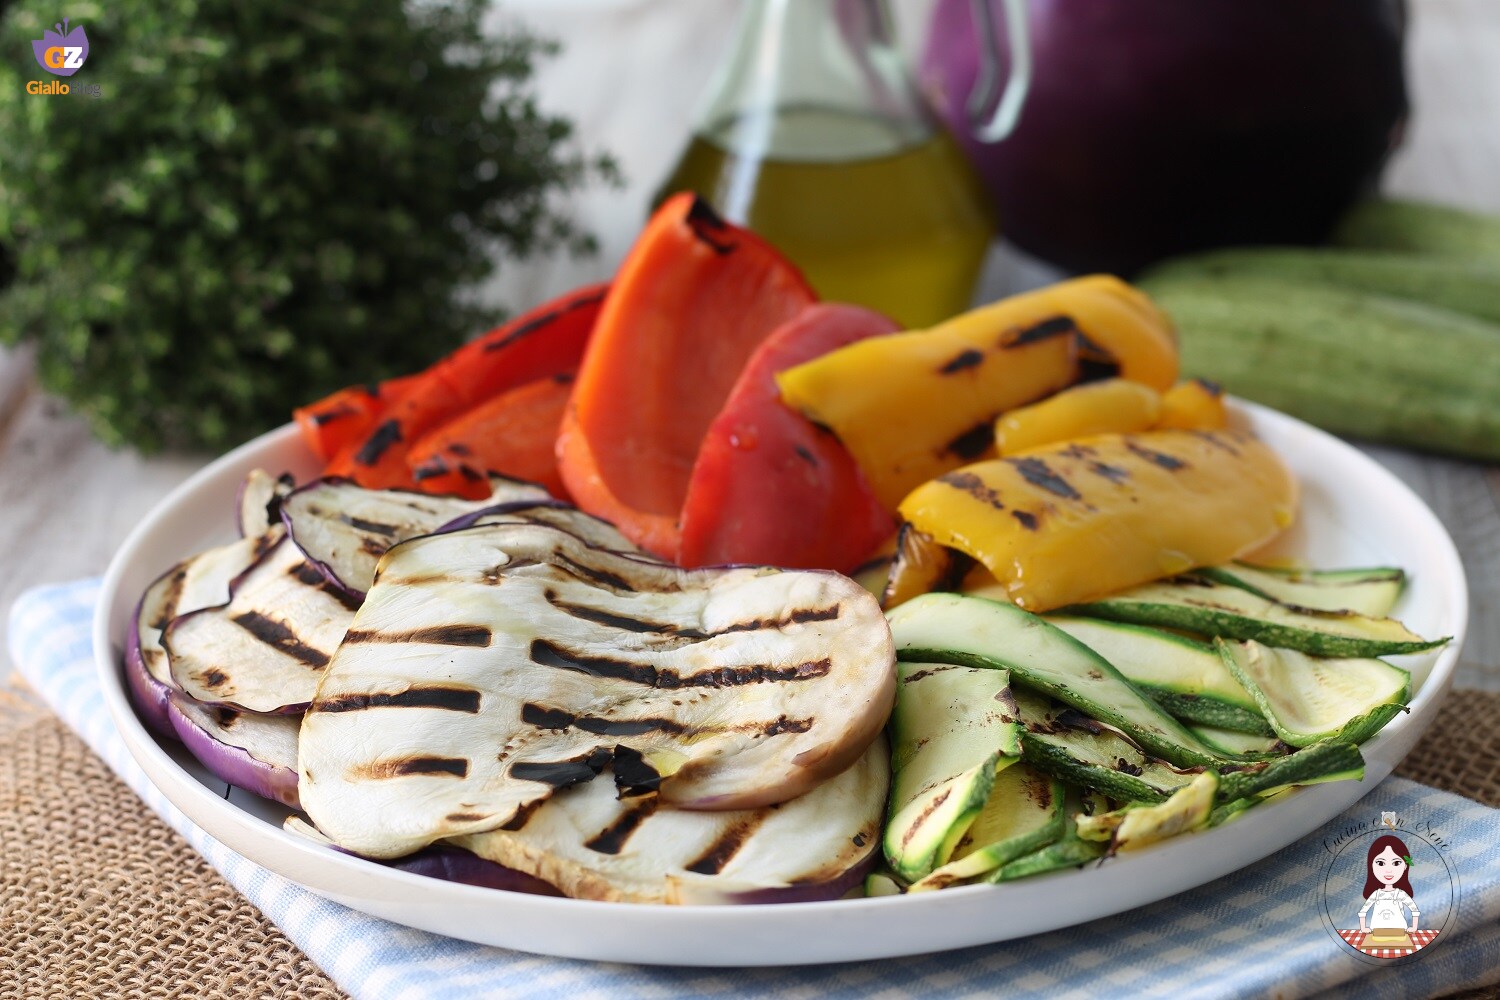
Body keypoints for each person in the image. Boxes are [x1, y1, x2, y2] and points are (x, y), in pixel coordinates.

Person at [1358, 834, 1420, 950]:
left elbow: (1414, 909)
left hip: (1399, 932)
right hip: (1377, 932)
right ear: (1371, 865)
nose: (1388, 870)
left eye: (1396, 863)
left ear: (1405, 866)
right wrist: (1363, 927)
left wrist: (1413, 927)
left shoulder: (1400, 894)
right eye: (1380, 863)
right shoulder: (1376, 894)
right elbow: (1363, 911)